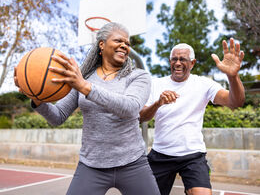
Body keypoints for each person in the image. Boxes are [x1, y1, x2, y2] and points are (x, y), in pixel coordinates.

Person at [14, 22, 160, 195]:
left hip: (132, 162)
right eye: (119, 40)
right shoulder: (82, 78)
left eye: (127, 44)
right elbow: (57, 117)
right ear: (102, 44)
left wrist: (85, 87)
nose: (124, 46)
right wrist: (36, 97)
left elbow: (130, 108)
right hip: (92, 165)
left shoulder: (138, 76)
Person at [139, 38, 245, 195]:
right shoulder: (155, 84)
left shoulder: (203, 84)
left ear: (193, 63)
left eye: (183, 59)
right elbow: (141, 117)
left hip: (193, 156)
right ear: (170, 61)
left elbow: (235, 102)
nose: (178, 63)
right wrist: (158, 103)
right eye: (174, 59)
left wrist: (233, 76)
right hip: (161, 154)